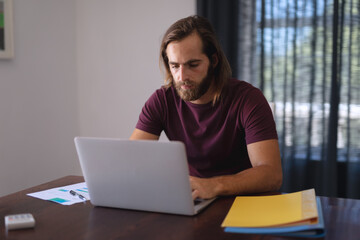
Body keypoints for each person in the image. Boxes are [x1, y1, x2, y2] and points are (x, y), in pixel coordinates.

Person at [130, 15, 282, 200]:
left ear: (214, 61)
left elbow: (271, 174)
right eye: (175, 66)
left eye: (193, 65)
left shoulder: (248, 99)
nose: (182, 76)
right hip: (194, 200)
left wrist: (213, 186)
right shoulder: (162, 100)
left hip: (242, 201)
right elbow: (133, 160)